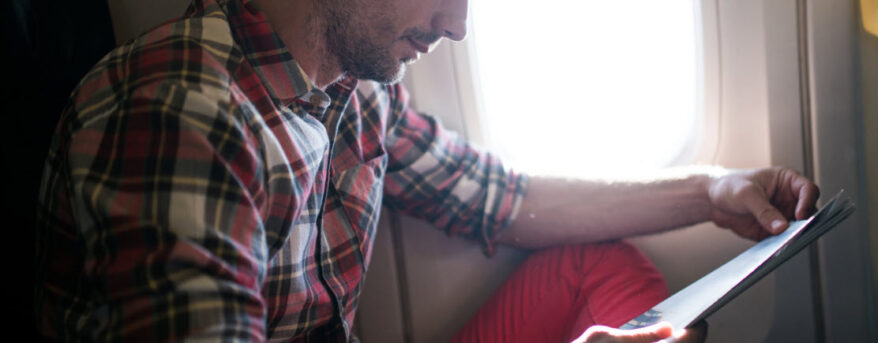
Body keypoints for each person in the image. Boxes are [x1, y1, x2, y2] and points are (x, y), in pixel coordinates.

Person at [34, 0, 820, 341]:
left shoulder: (355, 85)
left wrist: (712, 190)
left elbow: (502, 202)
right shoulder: (188, 122)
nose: (457, 25)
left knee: (596, 270)